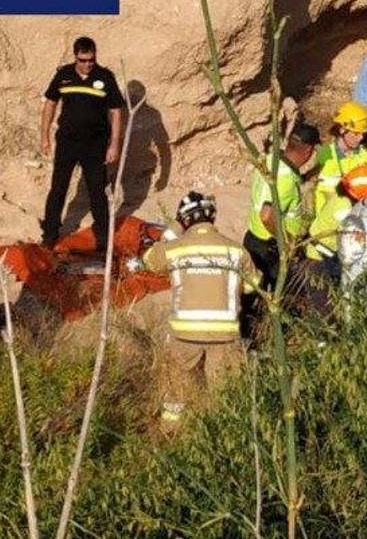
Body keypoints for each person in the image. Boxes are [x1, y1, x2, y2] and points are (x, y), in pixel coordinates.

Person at [140, 191, 258, 427]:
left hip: (184, 336)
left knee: (175, 395)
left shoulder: (175, 249)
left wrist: (173, 228)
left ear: (184, 221)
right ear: (213, 217)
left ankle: (171, 433)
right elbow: (251, 286)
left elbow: (150, 259)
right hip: (225, 337)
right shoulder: (236, 251)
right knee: (227, 398)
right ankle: (224, 440)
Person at [40, 36, 124, 253]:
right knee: (58, 188)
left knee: (97, 190)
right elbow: (50, 103)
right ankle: (49, 235)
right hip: (67, 141)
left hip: (95, 143)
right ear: (75, 57)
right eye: (83, 60)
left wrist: (114, 144)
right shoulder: (64, 75)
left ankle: (103, 238)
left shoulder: (105, 77)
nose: (87, 64)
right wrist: (45, 135)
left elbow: (115, 111)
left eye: (91, 60)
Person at [243, 121, 320, 293]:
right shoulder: (284, 179)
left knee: (253, 292)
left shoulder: (272, 160)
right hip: (270, 248)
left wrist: (308, 176)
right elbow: (267, 215)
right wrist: (285, 242)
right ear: (308, 151)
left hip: (253, 239)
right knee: (283, 296)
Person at [312, 102, 367, 220]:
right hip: (327, 224)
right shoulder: (325, 155)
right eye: (356, 133)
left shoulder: (363, 155)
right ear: (342, 130)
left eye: (363, 134)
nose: (361, 138)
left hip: (353, 223)